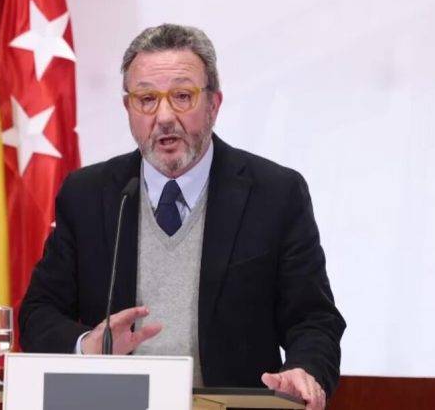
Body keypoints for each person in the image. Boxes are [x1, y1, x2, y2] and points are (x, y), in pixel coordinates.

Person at [19, 23, 346, 410]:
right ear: (128, 108)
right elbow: (38, 314)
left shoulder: (274, 193)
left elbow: (314, 319)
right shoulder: (89, 195)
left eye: (182, 96)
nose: (164, 116)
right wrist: (87, 345)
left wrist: (304, 370)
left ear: (214, 104)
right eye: (146, 99)